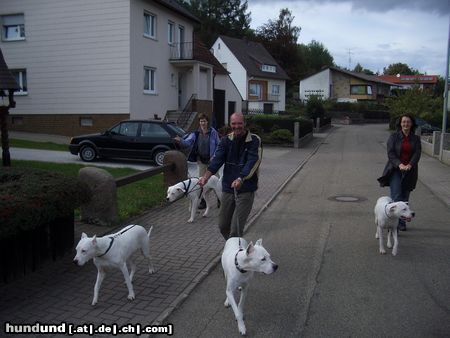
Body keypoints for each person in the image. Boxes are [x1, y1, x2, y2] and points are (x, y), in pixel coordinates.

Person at [198, 112, 262, 240]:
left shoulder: (254, 140)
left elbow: (252, 161)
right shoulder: (225, 140)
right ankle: (233, 247)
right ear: (230, 124)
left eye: (239, 123)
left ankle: (235, 254)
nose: (237, 126)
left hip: (245, 189)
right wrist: (205, 177)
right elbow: (217, 160)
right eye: (234, 123)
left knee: (235, 229)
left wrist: (241, 178)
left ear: (244, 123)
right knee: (223, 226)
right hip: (228, 188)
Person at [378, 113, 421, 231]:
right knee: (397, 196)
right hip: (395, 170)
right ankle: (394, 223)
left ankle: (402, 222)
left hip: (410, 171)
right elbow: (390, 153)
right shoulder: (394, 137)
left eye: (408, 122)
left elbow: (417, 153)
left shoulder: (416, 139)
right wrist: (400, 164)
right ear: (400, 124)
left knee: (405, 197)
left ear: (411, 124)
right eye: (403, 122)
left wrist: (410, 165)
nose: (406, 124)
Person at [174, 113, 220, 209]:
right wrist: (180, 141)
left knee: (216, 180)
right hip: (201, 161)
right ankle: (203, 201)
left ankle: (219, 199)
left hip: (212, 161)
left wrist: (214, 156)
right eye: (201, 121)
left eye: (204, 121)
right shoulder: (196, 133)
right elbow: (188, 142)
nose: (203, 123)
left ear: (207, 122)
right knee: (201, 181)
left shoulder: (213, 132)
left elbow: (218, 145)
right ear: (199, 122)